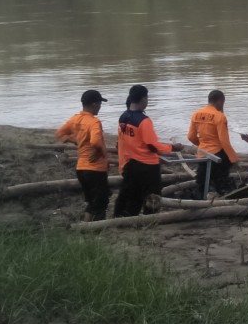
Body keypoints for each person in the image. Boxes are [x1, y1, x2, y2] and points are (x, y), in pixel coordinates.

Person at [113, 84, 182, 217]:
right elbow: (152, 146)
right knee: (152, 195)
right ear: (144, 99)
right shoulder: (144, 121)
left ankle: (127, 216)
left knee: (133, 193)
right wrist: (172, 147)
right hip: (147, 165)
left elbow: (122, 142)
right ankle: (150, 219)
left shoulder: (124, 117)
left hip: (130, 162)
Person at [55, 89, 111, 222]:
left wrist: (75, 140)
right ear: (93, 104)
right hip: (95, 169)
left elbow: (59, 134)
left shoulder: (75, 119)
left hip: (81, 168)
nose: (100, 107)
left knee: (92, 200)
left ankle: (92, 226)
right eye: (99, 104)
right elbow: (96, 141)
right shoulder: (94, 122)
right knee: (100, 201)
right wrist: (100, 153)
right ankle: (93, 228)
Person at [187, 89, 239, 197]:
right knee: (222, 178)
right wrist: (233, 158)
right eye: (223, 103)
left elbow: (190, 137)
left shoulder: (196, 114)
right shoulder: (220, 117)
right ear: (220, 101)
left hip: (203, 153)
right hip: (217, 154)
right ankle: (222, 192)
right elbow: (224, 141)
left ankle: (203, 195)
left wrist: (202, 145)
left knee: (202, 181)